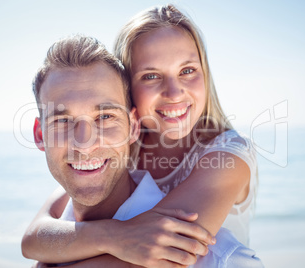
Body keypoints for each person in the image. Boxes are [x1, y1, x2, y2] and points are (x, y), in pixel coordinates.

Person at [22, 3, 259, 266]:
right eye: (151, 76)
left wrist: (53, 261)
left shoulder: (226, 156)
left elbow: (162, 251)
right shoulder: (119, 148)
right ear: (128, 92)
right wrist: (113, 236)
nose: (174, 92)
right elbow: (33, 239)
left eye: (188, 70)